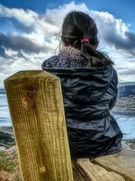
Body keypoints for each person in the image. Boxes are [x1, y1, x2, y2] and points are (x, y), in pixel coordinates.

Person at [42, 11, 123, 159]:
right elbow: (109, 104)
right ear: (95, 42)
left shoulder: (50, 67)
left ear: (64, 40)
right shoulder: (108, 70)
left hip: (62, 145)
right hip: (104, 145)